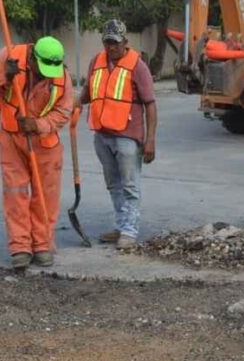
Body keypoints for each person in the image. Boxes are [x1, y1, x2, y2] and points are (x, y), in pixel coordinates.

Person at [0, 36, 73, 270]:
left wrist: (38, 124)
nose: (46, 75)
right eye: (41, 69)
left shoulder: (61, 76)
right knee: (16, 194)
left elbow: (63, 112)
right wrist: (7, 77)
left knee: (45, 197)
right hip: (12, 140)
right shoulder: (9, 56)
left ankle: (42, 244)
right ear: (32, 57)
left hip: (45, 143)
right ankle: (20, 246)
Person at [79, 20, 158, 250]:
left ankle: (129, 232)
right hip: (102, 134)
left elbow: (150, 105)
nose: (111, 47)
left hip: (127, 136)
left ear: (125, 42)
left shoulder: (138, 66)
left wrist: (150, 139)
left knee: (129, 186)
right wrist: (72, 103)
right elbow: (87, 92)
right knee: (113, 184)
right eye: (107, 42)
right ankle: (121, 225)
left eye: (115, 43)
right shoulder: (97, 61)